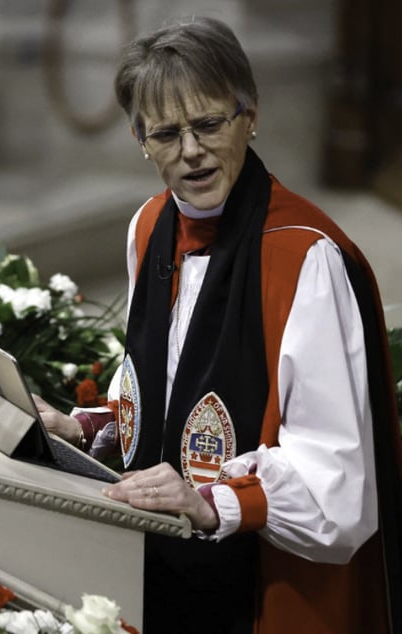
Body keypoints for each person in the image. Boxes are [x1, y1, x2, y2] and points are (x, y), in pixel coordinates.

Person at [33, 17, 402, 634]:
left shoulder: (304, 259)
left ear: (250, 113)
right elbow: (168, 382)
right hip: (152, 562)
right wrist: (87, 424)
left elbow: (338, 484)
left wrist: (209, 504)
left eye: (209, 124)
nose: (191, 151)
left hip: (258, 583)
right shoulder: (147, 226)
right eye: (167, 134)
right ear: (138, 139)